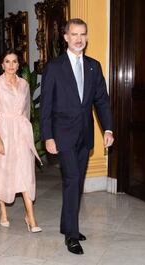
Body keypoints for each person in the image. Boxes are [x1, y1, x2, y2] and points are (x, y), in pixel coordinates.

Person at [39, 18, 114, 255]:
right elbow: (46, 106)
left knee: (78, 181)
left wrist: (108, 129)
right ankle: (71, 235)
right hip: (62, 135)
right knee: (72, 180)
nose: (79, 39)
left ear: (86, 37)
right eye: (74, 34)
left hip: (85, 134)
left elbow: (101, 100)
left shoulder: (94, 66)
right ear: (66, 37)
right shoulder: (54, 67)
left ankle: (66, 224)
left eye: (83, 34)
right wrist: (48, 137)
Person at [0, 50, 42, 233]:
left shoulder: (24, 84)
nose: (11, 65)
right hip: (3, 130)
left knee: (25, 171)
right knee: (2, 170)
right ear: (2, 64)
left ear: (18, 64)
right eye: (7, 61)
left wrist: (28, 133)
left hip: (20, 130)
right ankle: (3, 211)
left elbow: (27, 111)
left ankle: (31, 217)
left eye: (14, 61)